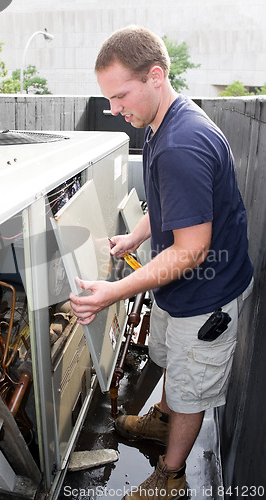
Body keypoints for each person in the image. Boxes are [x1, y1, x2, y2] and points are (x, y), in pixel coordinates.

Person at [70, 26, 253, 500]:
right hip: (181, 290)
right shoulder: (159, 124)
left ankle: (169, 477)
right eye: (107, 98)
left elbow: (191, 249)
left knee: (193, 388)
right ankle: (161, 423)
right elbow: (165, 201)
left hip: (206, 296)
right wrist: (133, 235)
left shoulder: (180, 143)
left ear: (155, 76)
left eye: (120, 95)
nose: (114, 109)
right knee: (172, 360)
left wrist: (114, 291)